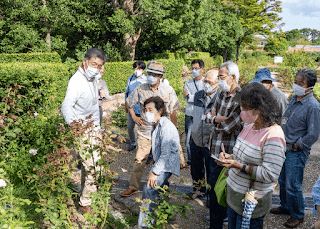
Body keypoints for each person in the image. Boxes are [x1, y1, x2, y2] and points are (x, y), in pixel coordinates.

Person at [216, 82, 286, 229]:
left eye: (246, 108)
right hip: (234, 198)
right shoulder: (249, 127)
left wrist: (239, 166)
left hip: (251, 202)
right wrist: (229, 158)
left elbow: (270, 174)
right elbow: (241, 156)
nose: (242, 111)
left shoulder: (273, 135)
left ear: (259, 109)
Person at [120, 61, 180, 197]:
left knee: (162, 161)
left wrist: (174, 129)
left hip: (162, 132)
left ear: (160, 76)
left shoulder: (168, 90)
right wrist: (134, 117)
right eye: (149, 74)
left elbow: (174, 110)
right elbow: (128, 103)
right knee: (139, 160)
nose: (151, 76)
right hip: (145, 131)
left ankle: (162, 190)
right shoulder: (141, 89)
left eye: (154, 74)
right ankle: (133, 186)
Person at [270, 68, 320, 228]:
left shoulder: (313, 106)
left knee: (293, 184)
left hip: (295, 151)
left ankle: (298, 215)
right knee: (282, 180)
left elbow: (313, 134)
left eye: (300, 83)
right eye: (295, 82)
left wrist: (297, 145)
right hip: (283, 147)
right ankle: (285, 206)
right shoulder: (293, 99)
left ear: (309, 87)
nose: (296, 85)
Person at [61, 47, 107, 214]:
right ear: (85, 61)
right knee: (95, 167)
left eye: (99, 65)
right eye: (93, 64)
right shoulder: (77, 81)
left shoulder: (92, 78)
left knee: (89, 167)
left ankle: (84, 196)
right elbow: (66, 106)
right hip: (83, 130)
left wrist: (98, 129)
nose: (96, 68)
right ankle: (85, 203)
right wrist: (74, 126)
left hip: (94, 128)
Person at [205, 61, 243, 229]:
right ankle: (215, 221)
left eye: (221, 77)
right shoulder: (221, 94)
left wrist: (215, 119)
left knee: (223, 191)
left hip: (228, 155)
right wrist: (216, 119)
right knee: (213, 191)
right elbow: (209, 116)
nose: (219, 80)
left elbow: (228, 127)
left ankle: (220, 221)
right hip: (213, 150)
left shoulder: (241, 98)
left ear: (233, 77)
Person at [137, 96, 180, 228]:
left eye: (150, 109)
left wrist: (154, 172)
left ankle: (144, 225)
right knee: (162, 188)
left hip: (167, 164)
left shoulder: (166, 126)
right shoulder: (155, 124)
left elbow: (166, 154)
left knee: (149, 188)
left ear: (160, 110)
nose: (147, 113)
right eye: (145, 110)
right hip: (163, 161)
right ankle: (169, 213)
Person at [190, 70, 220, 193]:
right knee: (196, 168)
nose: (206, 84)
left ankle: (211, 196)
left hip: (210, 142)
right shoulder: (198, 95)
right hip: (196, 138)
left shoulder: (220, 99)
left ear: (218, 84)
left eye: (210, 82)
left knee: (211, 170)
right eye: (205, 81)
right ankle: (198, 189)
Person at [184, 59, 205, 165]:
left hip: (201, 116)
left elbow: (205, 99)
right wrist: (198, 97)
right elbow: (187, 98)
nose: (194, 71)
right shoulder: (188, 83)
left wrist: (192, 97)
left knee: (200, 138)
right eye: (192, 69)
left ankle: (200, 159)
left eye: (196, 68)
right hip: (189, 115)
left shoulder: (206, 82)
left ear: (202, 69)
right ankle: (191, 160)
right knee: (188, 140)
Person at [125, 61, 147, 151]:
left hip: (142, 109)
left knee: (143, 128)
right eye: (135, 68)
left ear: (143, 70)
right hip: (131, 108)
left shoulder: (146, 80)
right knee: (130, 127)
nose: (136, 70)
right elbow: (126, 92)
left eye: (138, 69)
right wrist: (125, 105)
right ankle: (133, 142)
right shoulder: (130, 78)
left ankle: (144, 147)